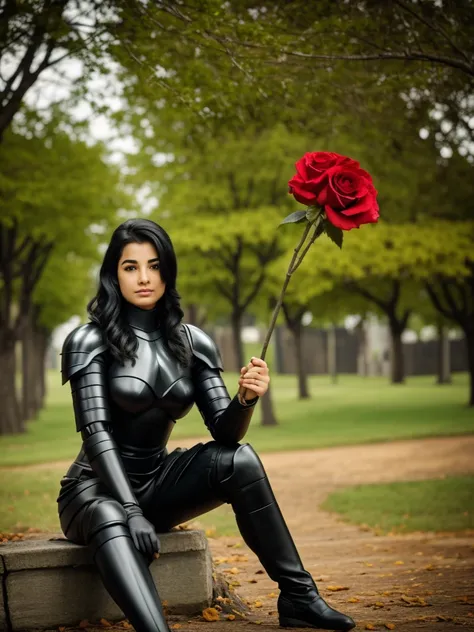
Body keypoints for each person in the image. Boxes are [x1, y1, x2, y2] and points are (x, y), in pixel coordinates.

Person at [57, 218, 355, 632]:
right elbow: (97, 435)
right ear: (113, 275)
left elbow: (226, 434)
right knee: (109, 512)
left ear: (168, 271)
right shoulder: (89, 341)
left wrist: (245, 399)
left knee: (241, 460)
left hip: (155, 483)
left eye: (155, 265)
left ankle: (299, 597)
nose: (144, 277)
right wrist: (129, 510)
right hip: (94, 491)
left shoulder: (193, 342)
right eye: (131, 267)